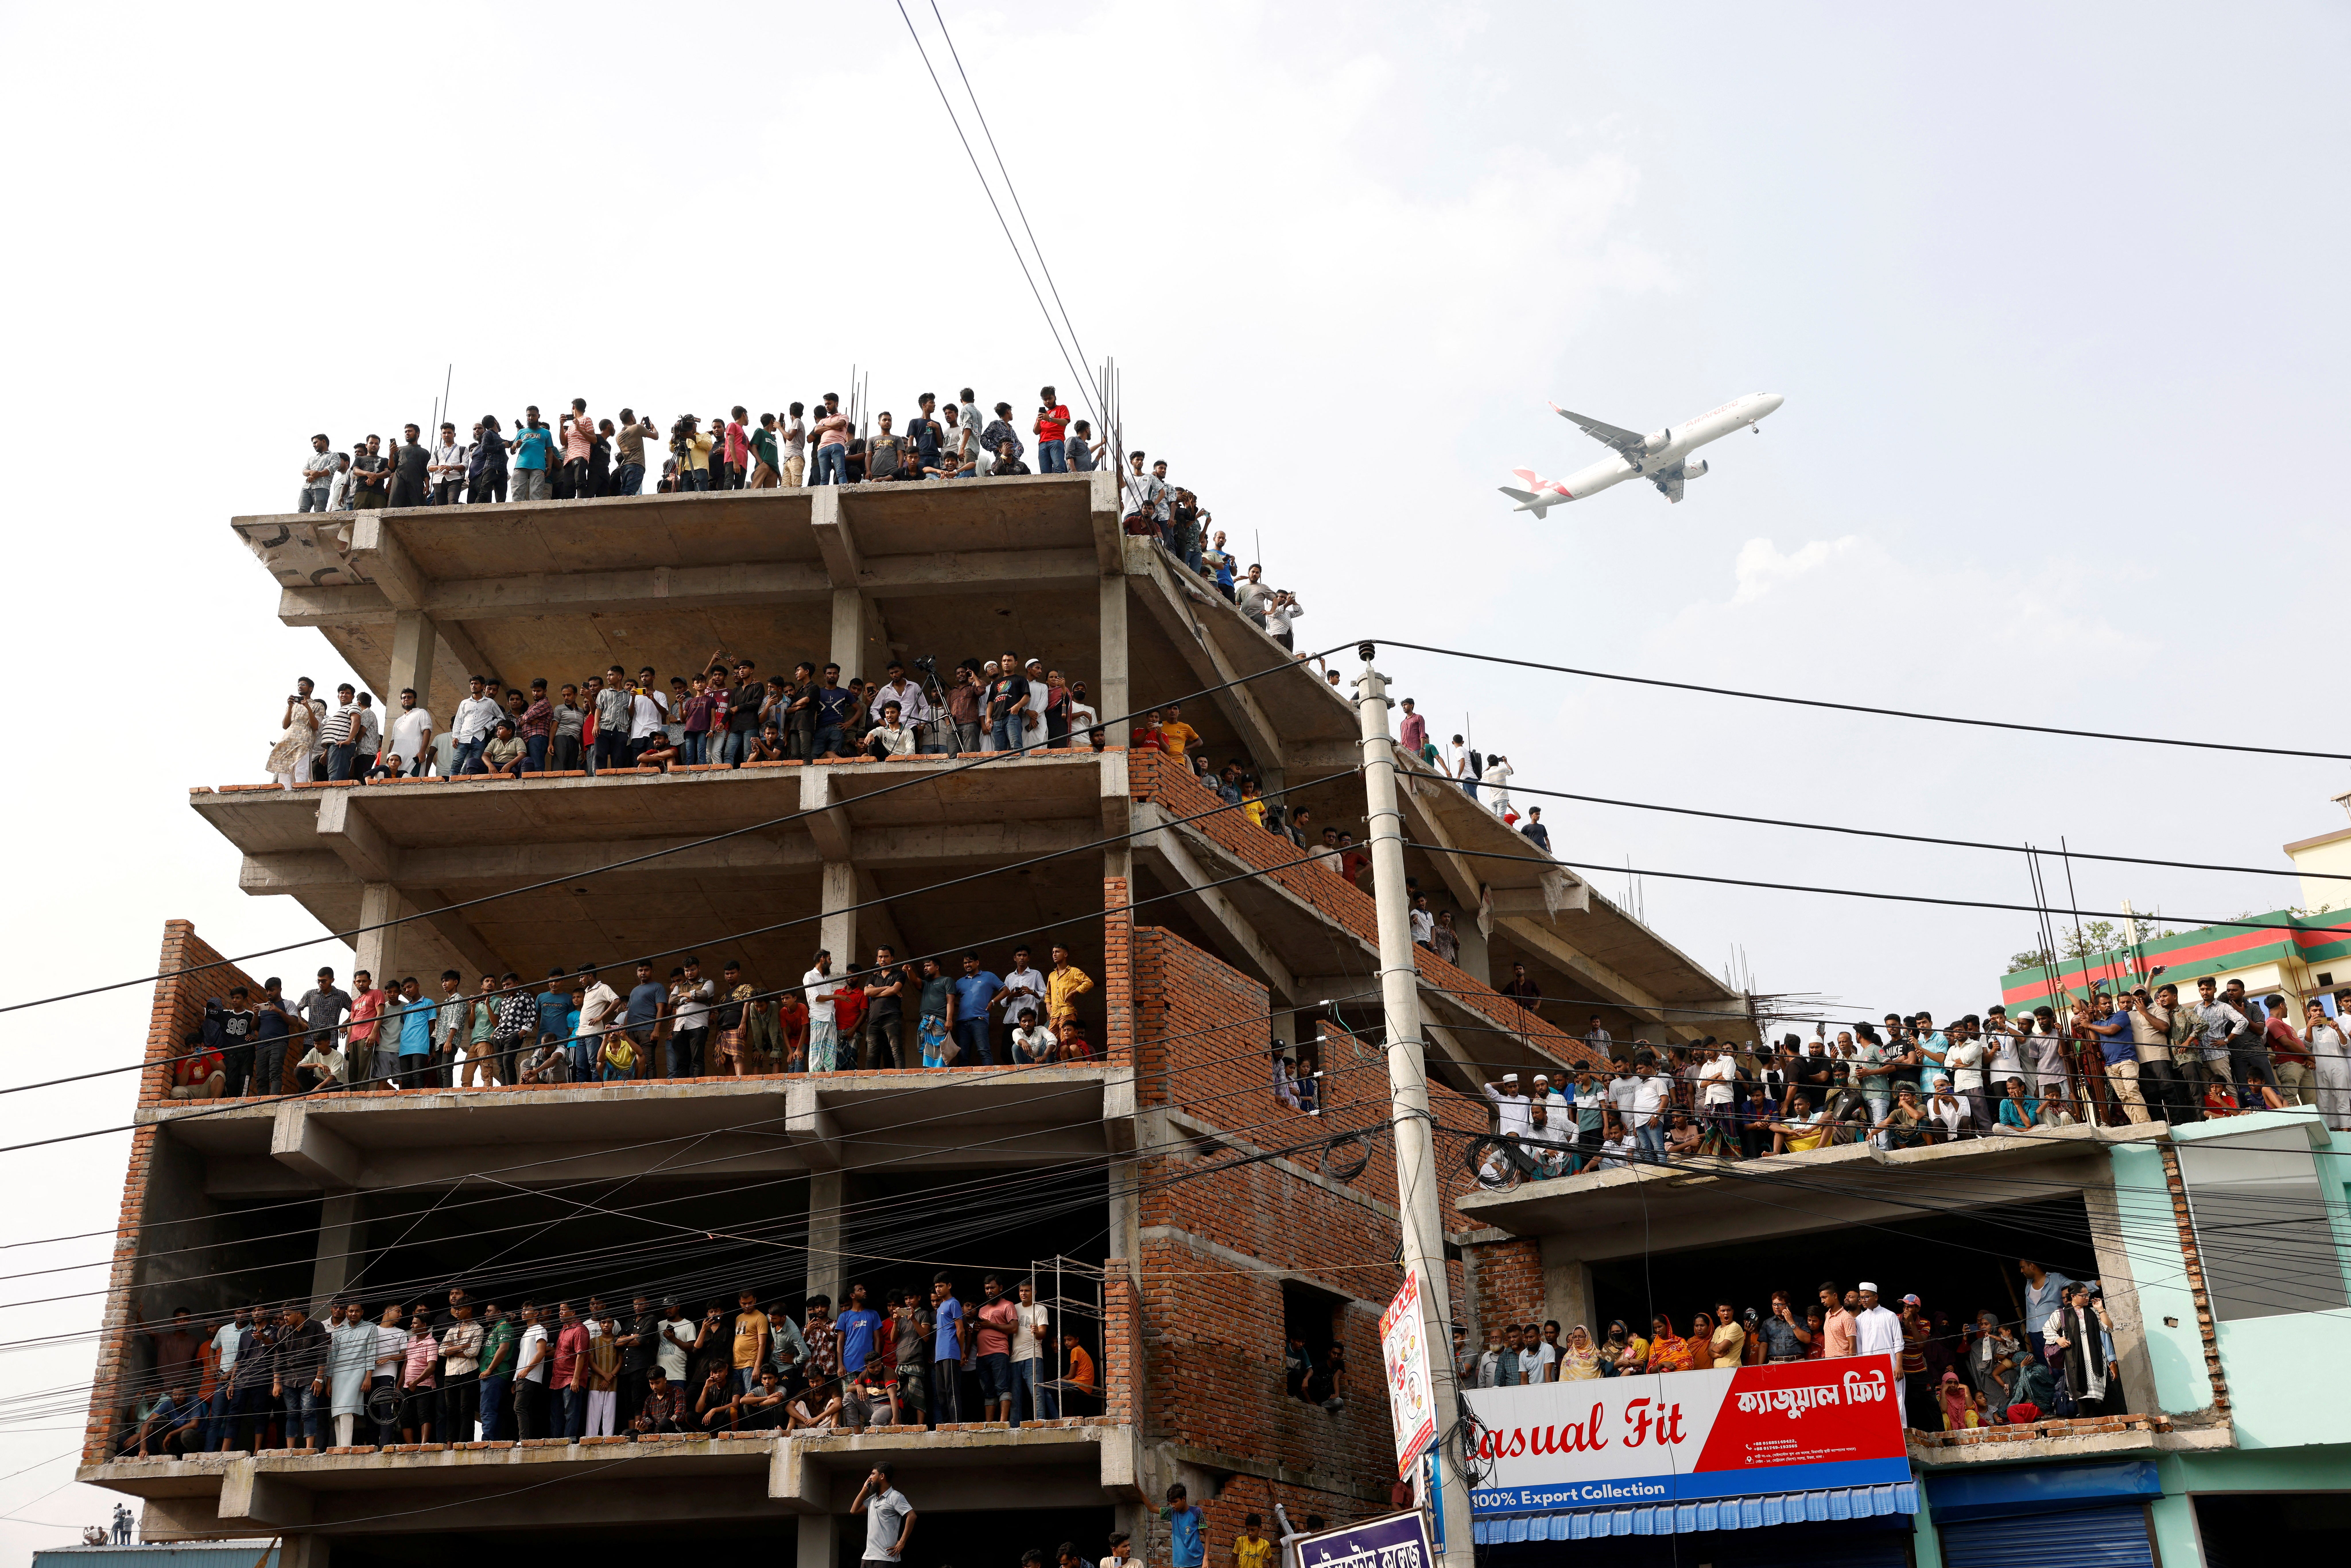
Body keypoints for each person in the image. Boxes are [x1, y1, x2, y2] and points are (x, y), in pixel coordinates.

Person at [1851, 1282, 1907, 1425]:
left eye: (1866, 1297)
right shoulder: (1859, 1320)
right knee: (1873, 1400)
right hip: (1869, 1369)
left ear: (1876, 1297)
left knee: (1896, 1398)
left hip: (1891, 1366)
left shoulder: (1890, 1316)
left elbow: (1899, 1343)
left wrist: (1899, 1366)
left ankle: (1901, 1432)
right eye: (1861, 1298)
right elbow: (1859, 1347)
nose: (1863, 1301)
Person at [852, 1462, 915, 1566]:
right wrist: (865, 1489)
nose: (870, 1478)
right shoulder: (873, 1498)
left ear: (882, 1476)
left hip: (885, 1558)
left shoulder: (895, 1497)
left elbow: (912, 1516)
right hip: (868, 1557)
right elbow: (854, 1511)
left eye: (873, 1474)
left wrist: (902, 1542)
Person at [1161, 1483, 1205, 1568]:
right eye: (1171, 1503)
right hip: (1180, 1565)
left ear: (1184, 1499)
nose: (1173, 1505)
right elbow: (1151, 1508)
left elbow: (1207, 1535)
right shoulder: (1172, 1513)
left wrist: (1206, 1558)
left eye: (1176, 1502)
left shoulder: (1196, 1512)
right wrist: (1138, 1488)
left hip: (1198, 1563)